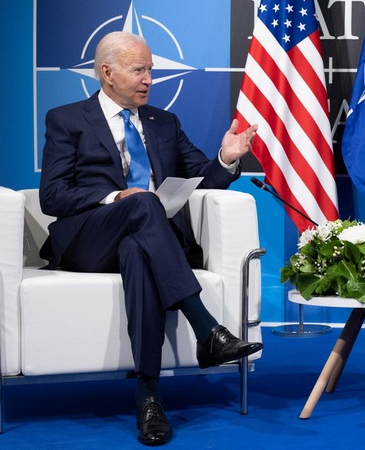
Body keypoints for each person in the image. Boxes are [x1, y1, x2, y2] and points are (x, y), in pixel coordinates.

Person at [39, 31, 263, 446]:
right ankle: (207, 330)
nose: (148, 80)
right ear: (107, 73)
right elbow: (52, 196)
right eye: (138, 70)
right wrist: (116, 196)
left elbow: (203, 181)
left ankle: (149, 397)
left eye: (151, 71)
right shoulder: (66, 119)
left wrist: (226, 159)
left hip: (146, 242)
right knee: (142, 205)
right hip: (89, 241)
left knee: (137, 250)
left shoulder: (165, 122)